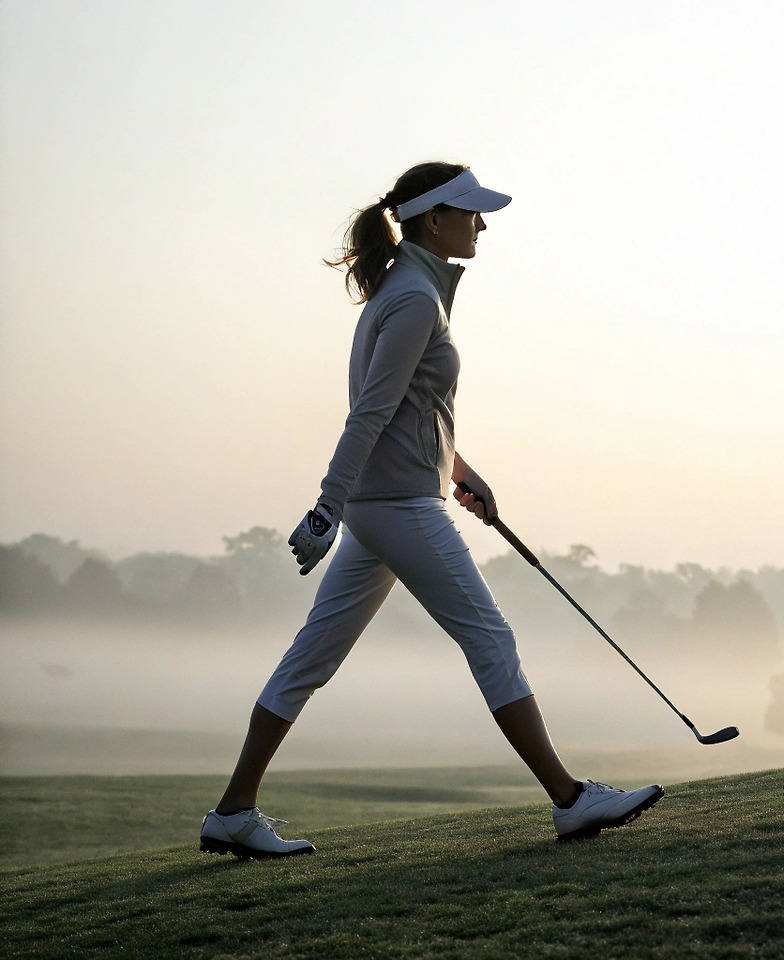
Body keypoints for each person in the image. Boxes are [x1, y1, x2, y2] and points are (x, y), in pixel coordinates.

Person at [199, 162, 663, 859]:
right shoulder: (416, 297)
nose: (482, 225)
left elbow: (415, 412)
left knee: (310, 658)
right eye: (471, 212)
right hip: (396, 507)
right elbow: (372, 413)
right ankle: (571, 801)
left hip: (390, 503)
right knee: (491, 640)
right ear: (434, 219)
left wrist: (459, 471)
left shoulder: (408, 290)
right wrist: (326, 505)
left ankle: (234, 811)